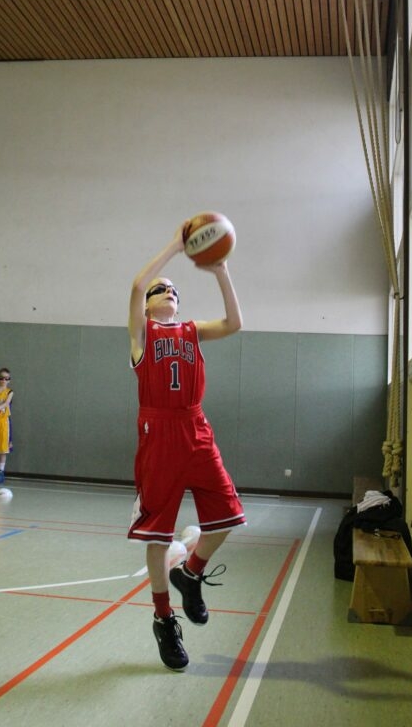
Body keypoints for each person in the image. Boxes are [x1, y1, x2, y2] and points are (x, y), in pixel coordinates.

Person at [127, 224, 246, 671]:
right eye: (162, 290)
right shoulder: (142, 335)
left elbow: (234, 323)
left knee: (229, 515)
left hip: (196, 429)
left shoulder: (193, 332)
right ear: (148, 304)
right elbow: (137, 285)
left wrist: (221, 270)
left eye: (175, 290)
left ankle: (190, 573)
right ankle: (164, 619)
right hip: (158, 433)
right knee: (158, 535)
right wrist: (176, 248)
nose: (169, 292)